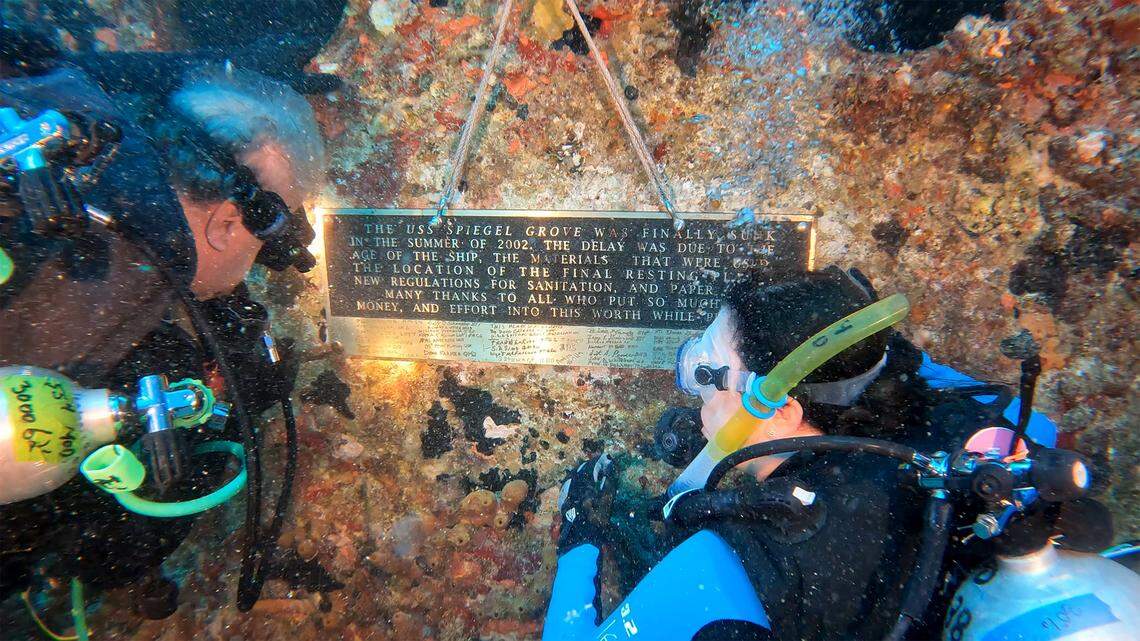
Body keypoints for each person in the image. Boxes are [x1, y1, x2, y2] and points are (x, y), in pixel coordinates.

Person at [544, 266, 1060, 640]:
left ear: (783, 411)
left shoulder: (738, 560)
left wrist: (579, 535)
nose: (696, 386)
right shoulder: (974, 423)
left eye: (709, 374)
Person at [0, 59, 326, 614]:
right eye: (263, 246)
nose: (252, 271)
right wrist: (220, 413)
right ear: (226, 224)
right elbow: (102, 553)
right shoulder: (110, 282)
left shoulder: (76, 139)